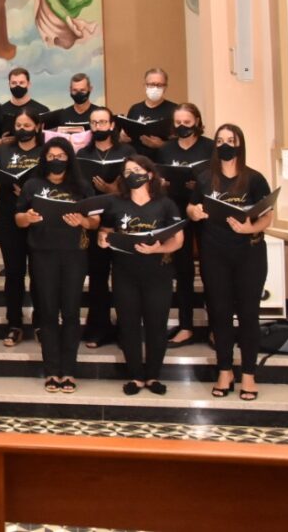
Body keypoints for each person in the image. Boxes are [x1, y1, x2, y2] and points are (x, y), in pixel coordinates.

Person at [187, 124, 272, 401]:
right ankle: (225, 370)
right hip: (215, 254)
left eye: (231, 140)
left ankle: (249, 374)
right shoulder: (204, 178)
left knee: (248, 314)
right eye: (220, 140)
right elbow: (191, 206)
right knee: (219, 313)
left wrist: (250, 228)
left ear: (239, 144)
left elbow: (268, 215)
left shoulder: (254, 178)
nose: (225, 144)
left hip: (249, 252)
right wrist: (194, 212)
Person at [14, 139, 98, 393]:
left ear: (70, 158)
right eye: (51, 155)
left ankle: (69, 371)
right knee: (48, 313)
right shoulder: (33, 184)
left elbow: (95, 221)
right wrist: (27, 218)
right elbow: (18, 218)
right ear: (44, 159)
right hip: (42, 253)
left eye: (61, 155)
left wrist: (82, 220)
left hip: (74, 254)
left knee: (71, 312)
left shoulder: (82, 185)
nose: (56, 159)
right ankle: (51, 371)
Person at [99, 156, 184, 396]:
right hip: (125, 272)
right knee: (129, 325)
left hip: (158, 272)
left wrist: (159, 248)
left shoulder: (166, 204)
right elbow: (104, 231)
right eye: (127, 171)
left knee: (157, 325)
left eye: (137, 169)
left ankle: (154, 375)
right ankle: (135, 376)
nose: (132, 174)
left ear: (149, 174)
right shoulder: (115, 203)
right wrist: (102, 239)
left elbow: (177, 239)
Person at [0, 109, 43, 347]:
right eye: (18, 125)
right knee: (14, 272)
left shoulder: (45, 151)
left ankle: (40, 322)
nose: (23, 129)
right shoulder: (4, 150)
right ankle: (14, 323)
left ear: (37, 126)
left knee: (39, 273)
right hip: (9, 217)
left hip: (37, 216)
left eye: (28, 125)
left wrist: (30, 192)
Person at [76, 107, 135, 348]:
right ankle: (98, 327)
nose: (98, 127)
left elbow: (140, 185)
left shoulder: (127, 153)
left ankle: (126, 329)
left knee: (124, 278)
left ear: (112, 125)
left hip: (123, 222)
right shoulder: (81, 155)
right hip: (94, 224)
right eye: (94, 123)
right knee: (98, 277)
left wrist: (114, 190)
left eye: (103, 122)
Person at [157, 103, 214, 349]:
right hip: (176, 211)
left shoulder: (210, 146)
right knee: (183, 272)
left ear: (197, 121)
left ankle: (215, 328)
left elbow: (219, 178)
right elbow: (158, 179)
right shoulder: (166, 149)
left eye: (187, 122)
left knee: (212, 272)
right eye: (178, 122)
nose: (182, 126)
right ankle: (186, 326)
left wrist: (199, 186)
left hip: (204, 212)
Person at [121, 67, 177, 159]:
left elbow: (180, 143)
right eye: (151, 84)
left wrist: (162, 145)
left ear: (165, 87)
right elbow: (128, 135)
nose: (155, 88)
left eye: (159, 85)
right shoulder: (135, 109)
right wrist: (123, 138)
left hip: (162, 161)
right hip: (138, 162)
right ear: (145, 86)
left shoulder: (174, 110)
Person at [0, 67, 49, 144]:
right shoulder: (1, 110)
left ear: (28, 84)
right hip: (7, 152)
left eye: (21, 83)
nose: (17, 86)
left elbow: (48, 139)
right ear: (9, 85)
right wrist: (0, 141)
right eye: (14, 83)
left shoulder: (42, 110)